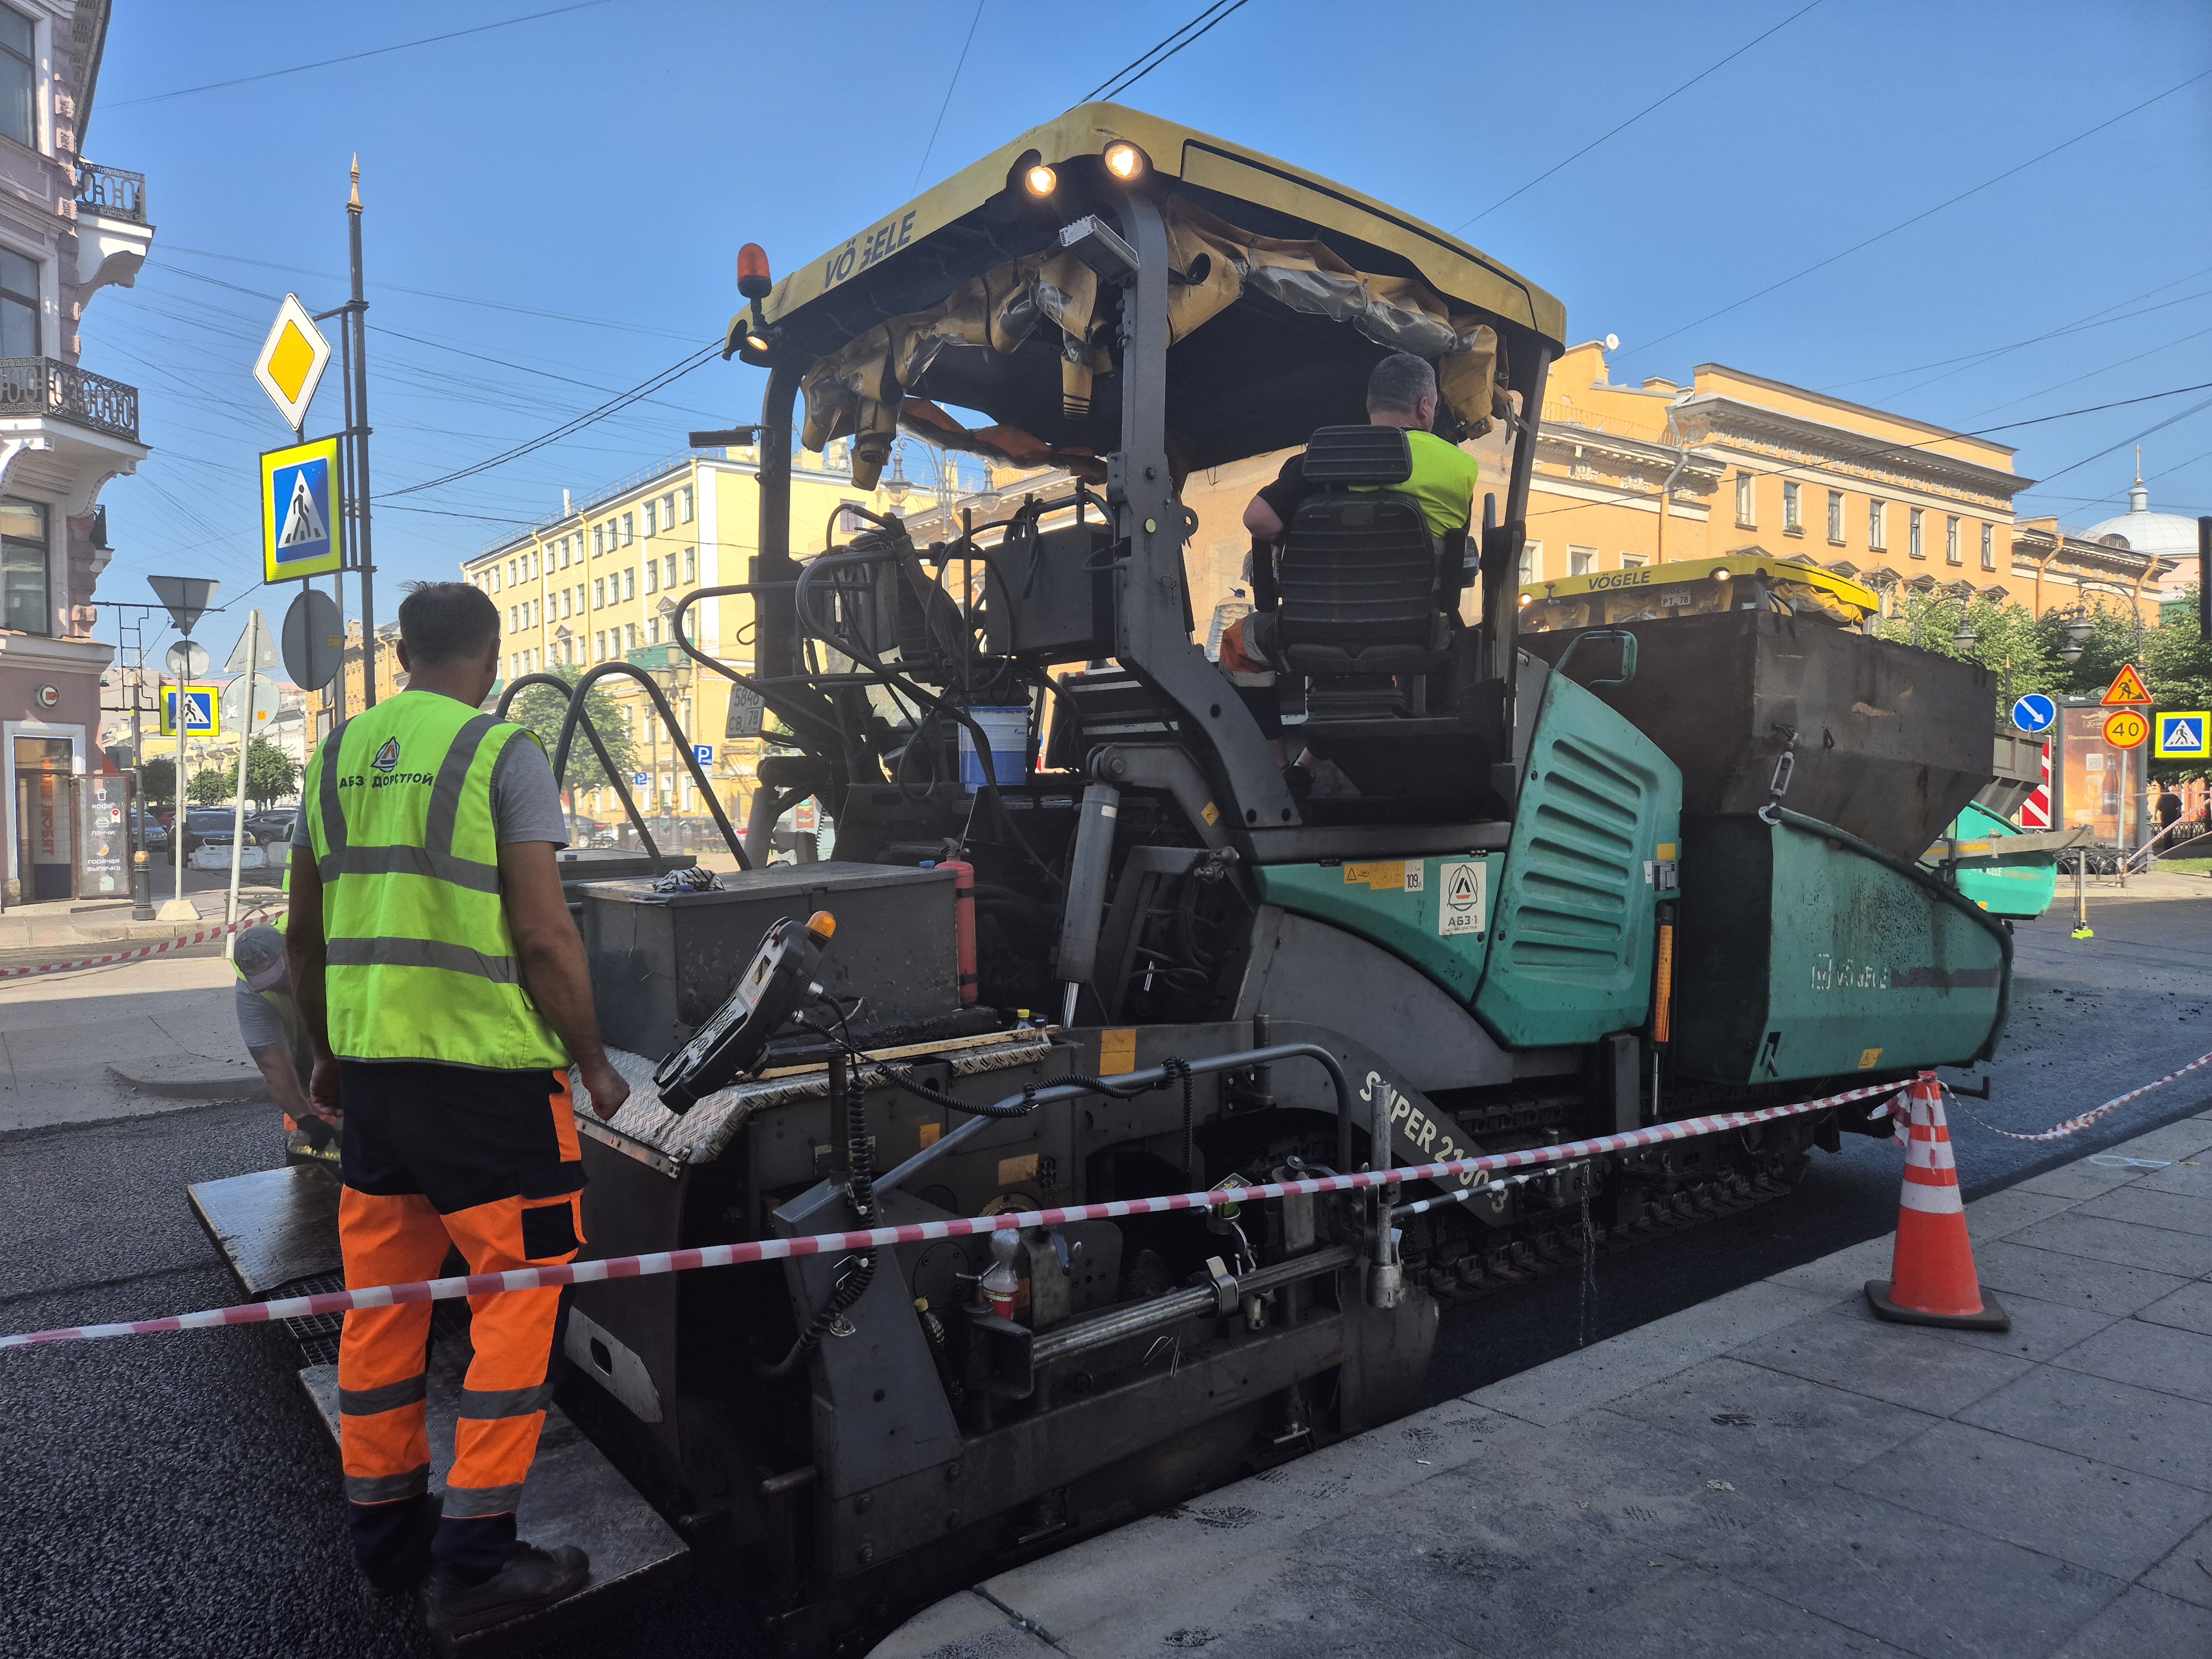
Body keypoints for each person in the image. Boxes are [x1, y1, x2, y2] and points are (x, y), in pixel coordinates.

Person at [286, 581, 632, 1634]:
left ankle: (386, 1538)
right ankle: (477, 1559)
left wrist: (331, 1061)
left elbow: (306, 940)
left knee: (382, 1315)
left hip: (381, 1094)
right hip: (490, 1094)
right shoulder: (500, 753)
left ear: (399, 654)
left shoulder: (335, 761)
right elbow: (543, 936)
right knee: (515, 1316)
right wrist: (596, 1063)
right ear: (489, 653)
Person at [1225, 352, 1481, 787]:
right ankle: (1310, 763)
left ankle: (1277, 771)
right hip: (1417, 631)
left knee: (1238, 643)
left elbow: (1258, 521)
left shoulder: (1328, 458)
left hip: (1316, 629)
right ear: (1425, 406)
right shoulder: (1462, 469)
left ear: (1371, 404)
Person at [231, 922, 337, 1165]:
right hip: (306, 1057)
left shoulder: (324, 944)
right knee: (312, 1158)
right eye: (265, 981)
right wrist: (306, 1119)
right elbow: (273, 1066)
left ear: (289, 950)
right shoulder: (251, 993)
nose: (274, 984)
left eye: (277, 973)